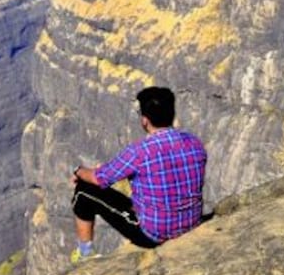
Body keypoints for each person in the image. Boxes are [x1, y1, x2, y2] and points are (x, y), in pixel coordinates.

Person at [70, 86, 208, 262]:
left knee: (83, 191)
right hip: (191, 223)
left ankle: (84, 254)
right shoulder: (194, 143)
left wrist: (78, 171)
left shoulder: (140, 152)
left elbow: (99, 178)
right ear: (172, 114)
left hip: (154, 234)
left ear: (144, 120)